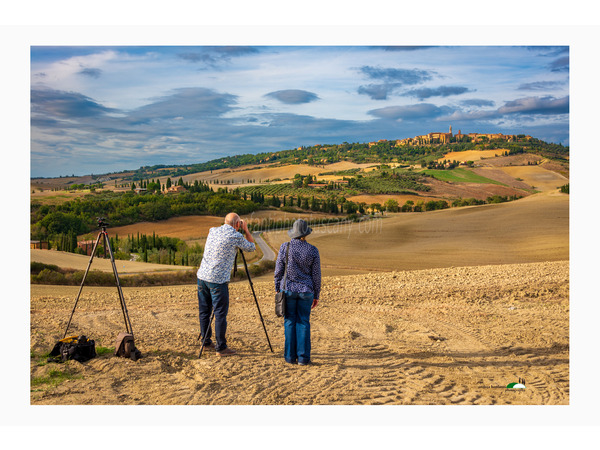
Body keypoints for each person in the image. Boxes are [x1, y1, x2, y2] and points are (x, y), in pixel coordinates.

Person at [197, 212, 255, 356]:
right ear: (237, 224)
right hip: (218, 280)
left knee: (204, 311)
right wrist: (246, 230)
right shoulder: (235, 236)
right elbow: (251, 247)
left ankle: (206, 342)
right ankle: (221, 348)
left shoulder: (212, 230)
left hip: (202, 276)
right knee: (220, 313)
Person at [274, 219, 321, 366]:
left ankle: (289, 357)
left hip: (287, 289)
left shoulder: (285, 247)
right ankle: (303, 358)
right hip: (306, 291)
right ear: (306, 234)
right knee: (304, 323)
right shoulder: (313, 250)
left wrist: (277, 287)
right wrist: (316, 294)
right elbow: (316, 275)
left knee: (289, 322)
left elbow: (278, 270)